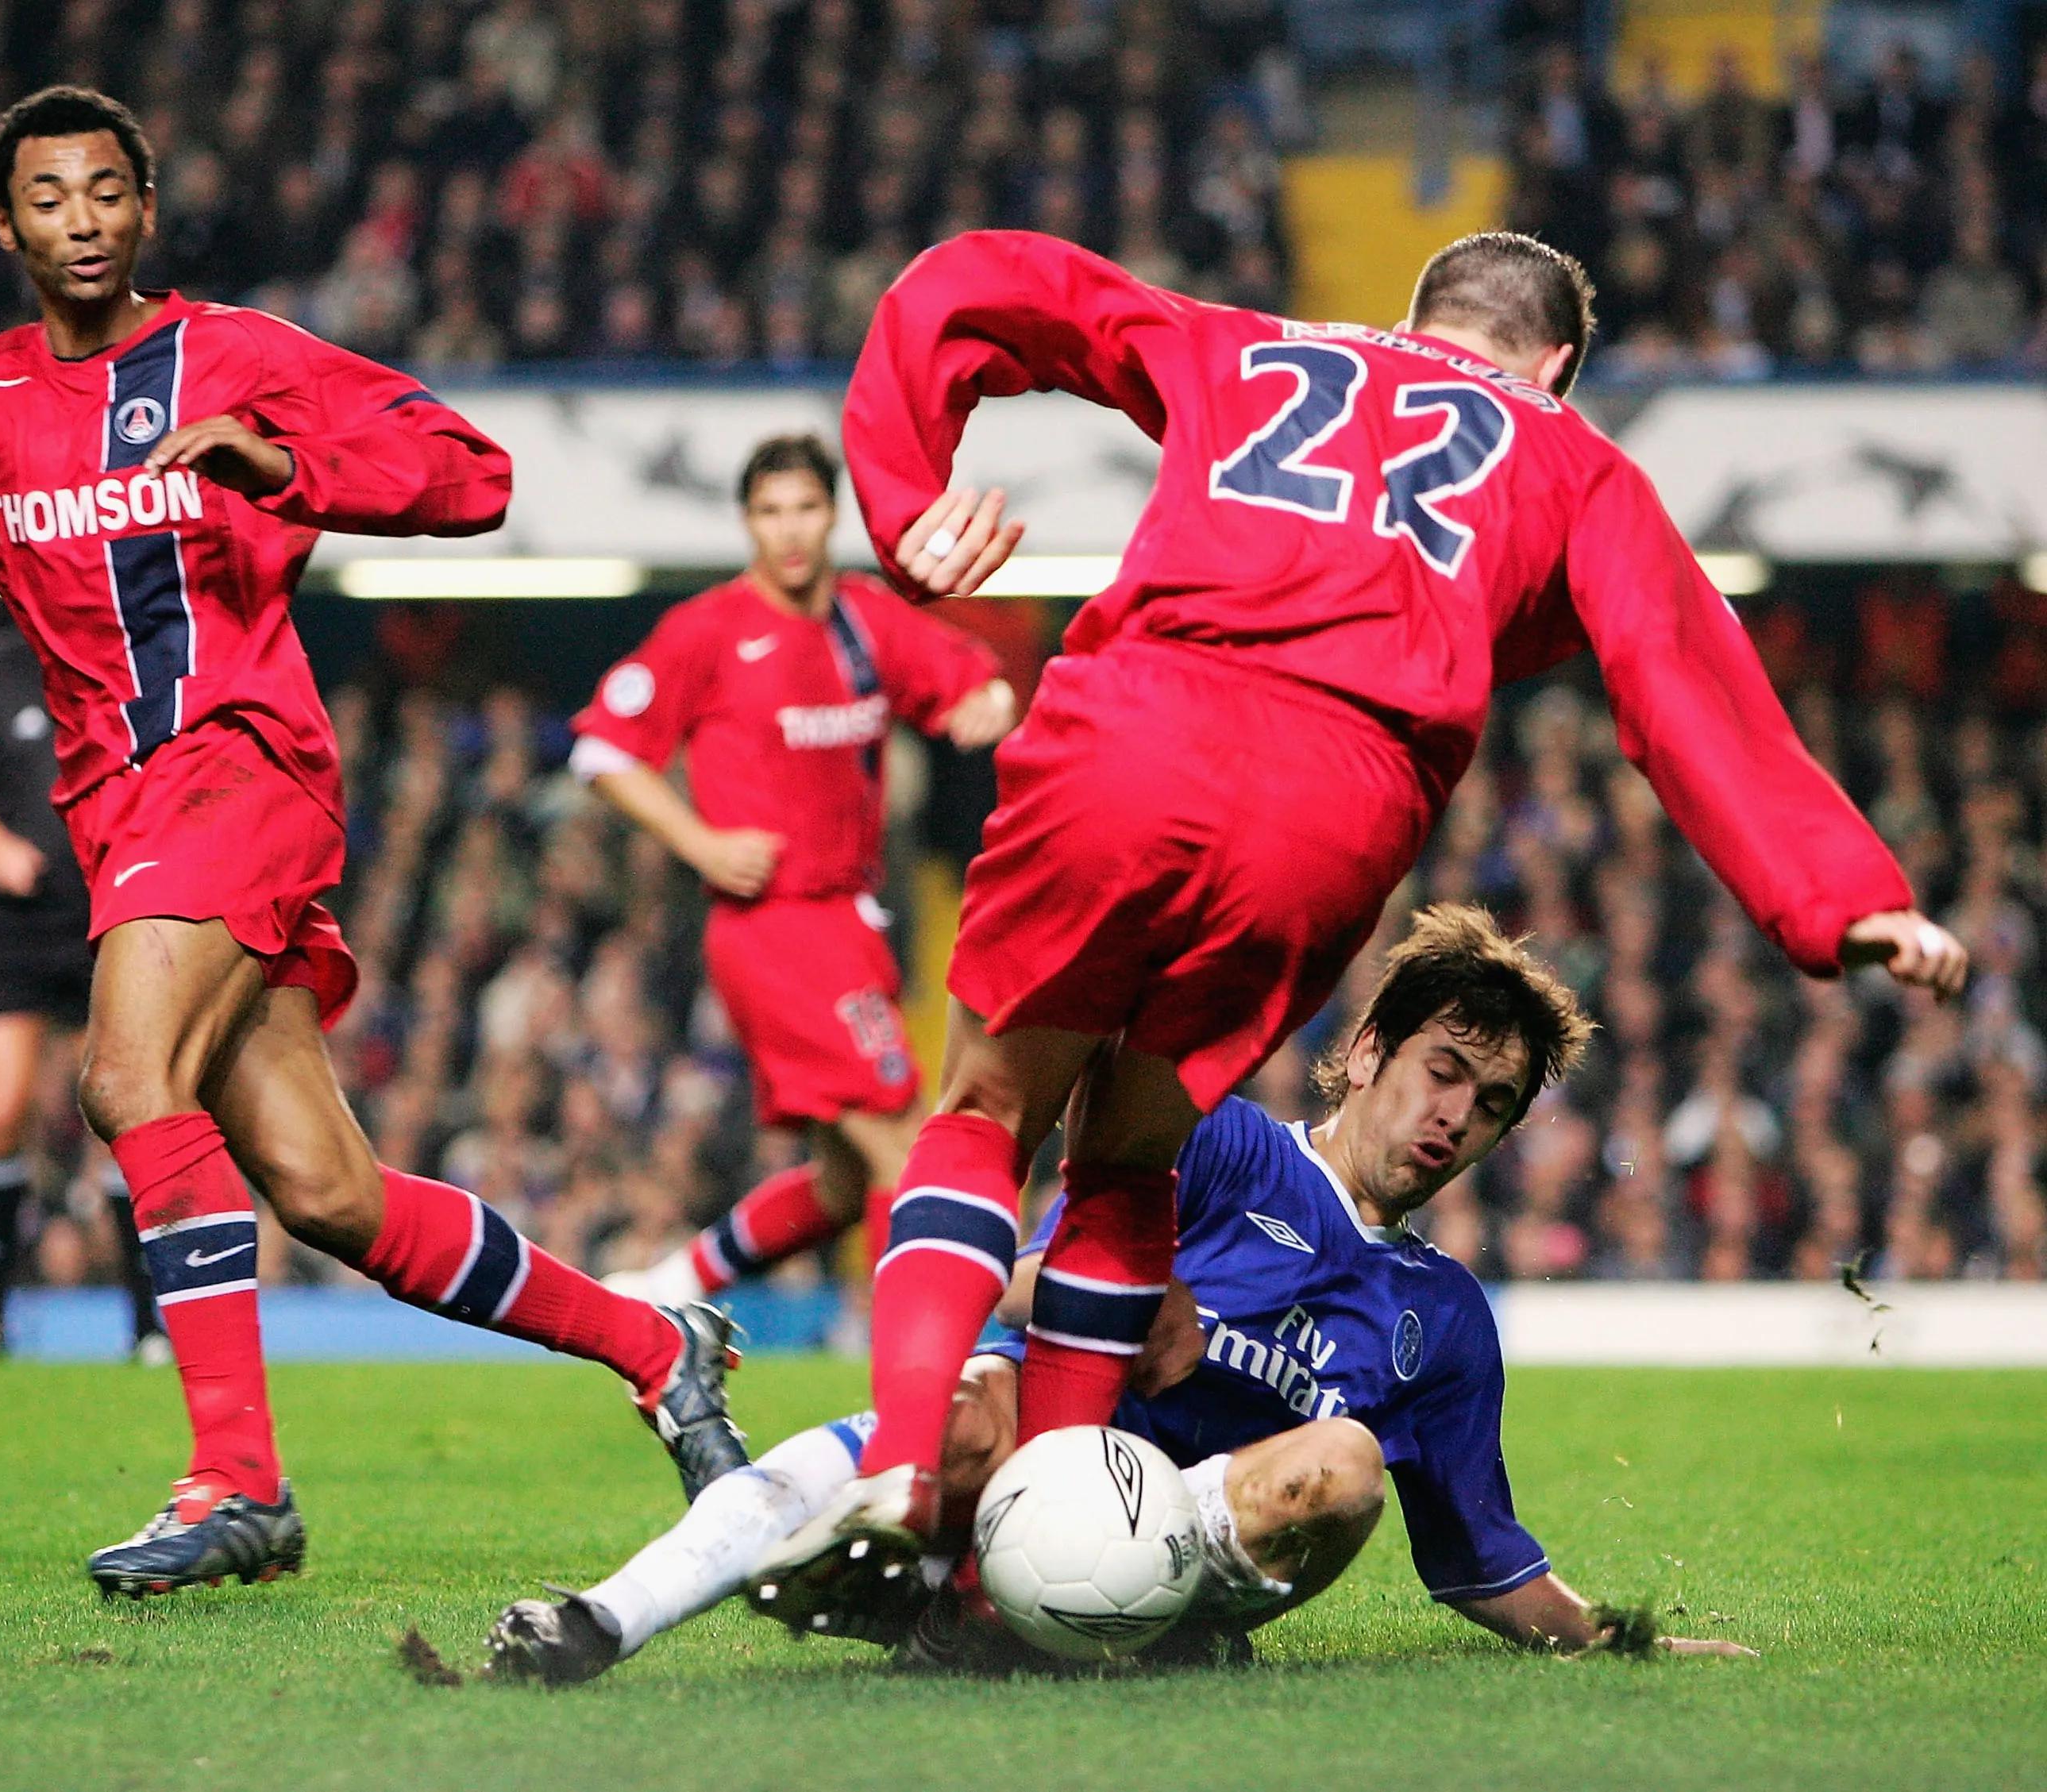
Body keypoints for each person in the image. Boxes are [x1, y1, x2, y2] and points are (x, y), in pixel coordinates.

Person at [761, 228, 1969, 1606]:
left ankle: (906, 1470)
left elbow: (981, 283)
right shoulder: (1579, 463)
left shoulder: (1245, 344)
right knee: (1132, 1161)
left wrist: (904, 499)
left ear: (1415, 318)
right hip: (1336, 800)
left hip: (1138, 724)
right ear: (1555, 366)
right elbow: (1676, 668)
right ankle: (1014, 1578)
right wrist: (1840, 899)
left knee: (986, 1113)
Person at [0, 85, 745, 1600]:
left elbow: (473, 470)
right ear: (6, 225)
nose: (83, 222)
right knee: (330, 1193)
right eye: (48, 198)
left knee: (123, 1077)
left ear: (147, 206)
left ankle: (238, 1479)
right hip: (118, 817)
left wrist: (291, 470)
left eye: (108, 191)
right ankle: (656, 1344)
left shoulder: (241, 354)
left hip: (241, 767)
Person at [481, 907, 1755, 1683]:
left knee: (1348, 1464)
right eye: (1445, 1070)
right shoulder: (1224, 1144)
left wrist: (1621, 1640)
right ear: (1368, 1052)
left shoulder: (1448, 1320)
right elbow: (1022, 1287)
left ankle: (1015, 1614)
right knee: (963, 1415)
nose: (1455, 1115)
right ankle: (602, 1620)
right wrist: (1133, 1294)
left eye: (1492, 1104)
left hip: (1193, 1558)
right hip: (1041, 1460)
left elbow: (1482, 1562)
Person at [580, 433, 1015, 1308]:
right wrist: (701, 843)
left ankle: (675, 1285)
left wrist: (991, 702)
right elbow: (602, 750)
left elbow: (978, 683)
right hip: (774, 924)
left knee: (846, 1183)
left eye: (806, 508)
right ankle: (916, 1357)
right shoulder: (708, 630)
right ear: (746, 522)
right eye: (770, 511)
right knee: (904, 1145)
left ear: (832, 515)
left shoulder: (864, 618)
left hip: (851, 918)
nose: (789, 529)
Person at [0, 610, 164, 1362]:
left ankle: (149, 1322)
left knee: (125, 1117)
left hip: (113, 917)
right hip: (15, 924)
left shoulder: (133, 658)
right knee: (1, 1109)